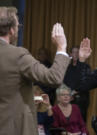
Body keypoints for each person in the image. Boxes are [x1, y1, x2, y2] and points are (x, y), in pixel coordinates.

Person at [0, 7, 70, 135]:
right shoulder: (17, 55)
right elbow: (54, 77)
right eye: (18, 26)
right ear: (11, 30)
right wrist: (61, 47)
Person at [64, 46, 90, 121]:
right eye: (73, 52)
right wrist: (68, 94)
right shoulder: (68, 68)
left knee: (80, 123)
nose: (75, 54)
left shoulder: (85, 67)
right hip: (68, 99)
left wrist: (74, 92)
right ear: (70, 54)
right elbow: (64, 83)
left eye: (77, 52)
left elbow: (86, 83)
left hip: (80, 100)